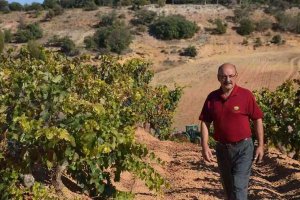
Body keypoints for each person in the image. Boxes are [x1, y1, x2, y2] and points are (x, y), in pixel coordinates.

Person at [199, 63, 264, 200]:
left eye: (230, 76)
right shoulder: (212, 98)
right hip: (222, 150)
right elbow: (205, 122)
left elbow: (257, 119)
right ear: (218, 78)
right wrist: (204, 146)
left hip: (243, 148)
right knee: (229, 190)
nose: (227, 79)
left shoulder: (246, 95)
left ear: (236, 76)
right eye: (223, 76)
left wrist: (260, 145)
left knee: (238, 186)